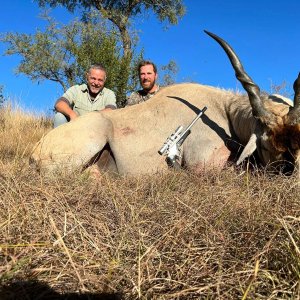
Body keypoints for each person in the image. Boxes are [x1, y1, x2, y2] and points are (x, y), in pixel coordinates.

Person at [53, 63, 117, 128]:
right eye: (93, 78)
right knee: (59, 117)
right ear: (87, 77)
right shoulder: (76, 89)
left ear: (105, 80)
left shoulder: (109, 93)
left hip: (98, 131)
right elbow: (59, 104)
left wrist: (92, 116)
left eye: (100, 80)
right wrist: (72, 114)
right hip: (76, 128)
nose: (96, 83)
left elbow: (111, 110)